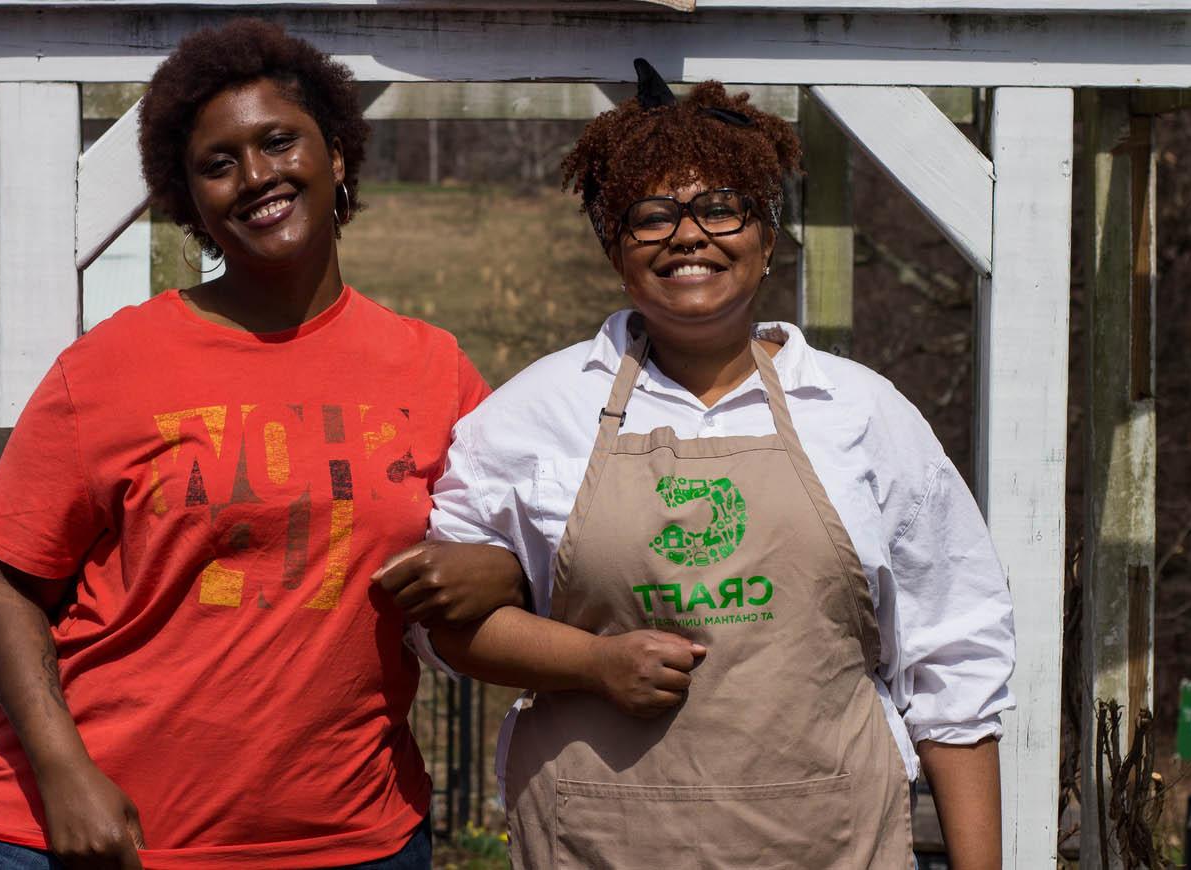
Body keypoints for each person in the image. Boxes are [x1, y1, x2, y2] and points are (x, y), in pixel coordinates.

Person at [0, 21, 523, 869]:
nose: (256, 176)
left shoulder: (430, 369)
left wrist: (505, 570)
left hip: (346, 840)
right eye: (219, 163)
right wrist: (64, 770)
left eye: (278, 141)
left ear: (335, 152)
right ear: (190, 200)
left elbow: (517, 542)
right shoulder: (112, 365)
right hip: (86, 838)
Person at [421, 61, 1016, 868]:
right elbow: (449, 624)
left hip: (831, 842)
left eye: (721, 208)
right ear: (614, 248)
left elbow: (956, 658)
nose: (688, 234)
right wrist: (591, 665)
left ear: (768, 238)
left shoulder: (863, 413)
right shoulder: (535, 416)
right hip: (598, 843)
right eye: (651, 215)